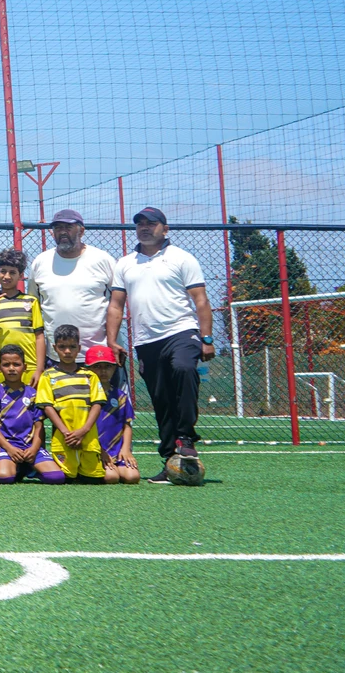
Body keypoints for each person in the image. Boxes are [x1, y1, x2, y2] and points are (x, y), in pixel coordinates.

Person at [105, 207, 215, 483]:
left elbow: (200, 300)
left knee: (183, 368)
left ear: (165, 229)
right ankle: (170, 459)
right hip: (146, 341)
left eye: (151, 224)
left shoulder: (181, 258)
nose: (145, 227)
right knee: (161, 400)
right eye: (140, 224)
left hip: (181, 332)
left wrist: (208, 338)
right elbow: (116, 305)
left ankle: (187, 438)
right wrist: (111, 340)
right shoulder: (125, 264)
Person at [27, 209, 117, 348]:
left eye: (68, 227)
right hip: (57, 354)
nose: (63, 232)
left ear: (81, 231)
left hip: (98, 355)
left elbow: (117, 303)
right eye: (58, 227)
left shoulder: (103, 259)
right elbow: (33, 304)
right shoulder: (40, 262)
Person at [0, 344, 63, 486]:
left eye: (16, 364)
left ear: (25, 367)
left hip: (30, 446)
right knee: (4, 477)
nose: (12, 368)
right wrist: (9, 448)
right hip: (7, 446)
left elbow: (39, 427)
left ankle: (29, 465)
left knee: (56, 477)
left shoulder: (33, 394)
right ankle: (19, 467)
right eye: (6, 365)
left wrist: (33, 449)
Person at [38, 325, 107, 484]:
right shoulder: (48, 376)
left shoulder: (89, 376)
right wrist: (66, 432)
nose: (67, 351)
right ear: (55, 348)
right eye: (62, 347)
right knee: (64, 478)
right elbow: (47, 407)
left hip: (88, 439)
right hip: (64, 440)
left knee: (96, 479)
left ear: (79, 348)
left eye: (72, 347)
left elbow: (97, 404)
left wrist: (83, 431)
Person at [0, 248, 46, 386]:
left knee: (29, 406)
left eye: (12, 272)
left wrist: (39, 368)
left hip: (28, 368)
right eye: (3, 271)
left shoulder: (31, 302)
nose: (7, 276)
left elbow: (39, 336)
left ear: (20, 275)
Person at [86, 345, 142, 485]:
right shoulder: (85, 396)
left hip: (117, 451)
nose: (103, 371)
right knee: (111, 477)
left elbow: (127, 424)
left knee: (132, 477)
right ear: (88, 370)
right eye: (97, 366)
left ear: (115, 368)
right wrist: (99, 451)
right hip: (95, 450)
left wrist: (126, 450)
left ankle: (117, 463)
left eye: (107, 366)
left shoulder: (120, 396)